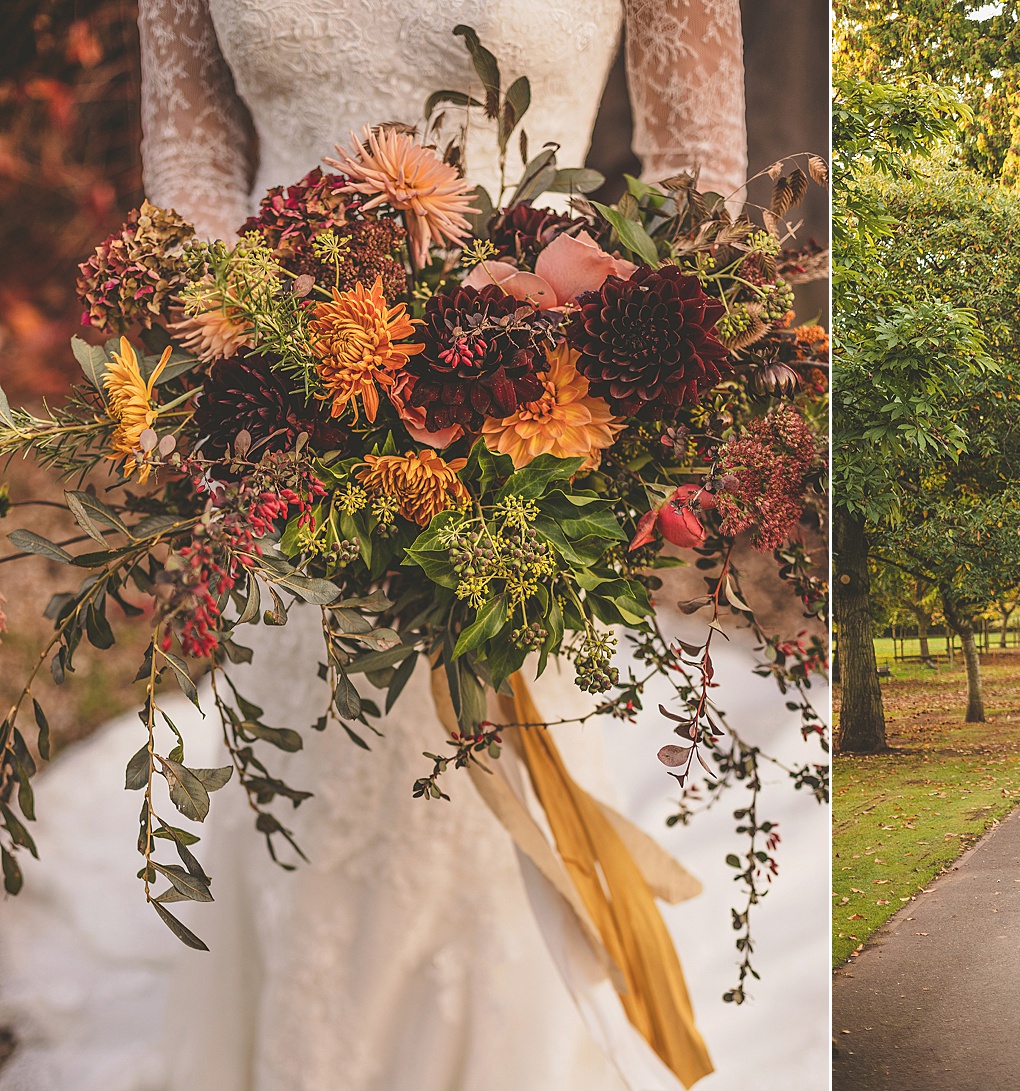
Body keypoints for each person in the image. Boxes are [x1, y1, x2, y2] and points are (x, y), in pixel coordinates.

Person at [0, 4, 822, 1090]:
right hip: (285, 424)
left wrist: (638, 404)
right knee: (316, 781)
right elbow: (197, 170)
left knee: (488, 801)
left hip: (548, 418)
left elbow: (695, 176)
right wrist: (224, 397)